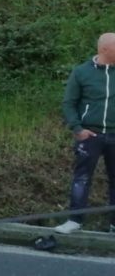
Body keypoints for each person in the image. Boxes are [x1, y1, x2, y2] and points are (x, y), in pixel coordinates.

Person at [56, 33, 115, 234]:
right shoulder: (82, 72)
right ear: (105, 49)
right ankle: (75, 220)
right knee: (81, 178)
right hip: (91, 136)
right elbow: (69, 103)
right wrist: (77, 128)